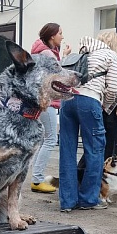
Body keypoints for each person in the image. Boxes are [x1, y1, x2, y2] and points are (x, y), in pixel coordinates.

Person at [59, 32, 117, 212]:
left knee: (67, 150)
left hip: (68, 101)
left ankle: (67, 201)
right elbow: (114, 87)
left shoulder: (82, 53)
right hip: (90, 101)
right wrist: (105, 106)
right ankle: (88, 199)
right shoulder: (110, 55)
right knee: (95, 150)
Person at [29, 23, 71, 193]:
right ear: (52, 36)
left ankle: (36, 177)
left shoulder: (41, 51)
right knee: (51, 138)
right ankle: (37, 180)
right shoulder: (46, 53)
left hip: (40, 100)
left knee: (43, 140)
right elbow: (58, 74)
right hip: (47, 101)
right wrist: (66, 58)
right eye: (60, 33)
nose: (62, 36)